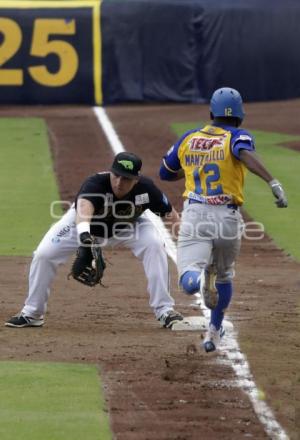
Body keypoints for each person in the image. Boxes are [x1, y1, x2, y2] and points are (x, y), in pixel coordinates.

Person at [159, 87, 288, 352]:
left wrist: (192, 169)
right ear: (240, 114)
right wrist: (271, 181)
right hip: (228, 218)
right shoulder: (237, 135)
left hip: (196, 215)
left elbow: (166, 172)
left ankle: (198, 278)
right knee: (225, 276)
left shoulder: (189, 137)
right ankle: (214, 332)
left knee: (187, 280)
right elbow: (244, 154)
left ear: (211, 112)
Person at [6, 152, 184, 329]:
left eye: (126, 179)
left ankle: (164, 310)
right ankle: (32, 313)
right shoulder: (95, 184)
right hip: (84, 224)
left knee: (155, 245)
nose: (119, 182)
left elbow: (171, 215)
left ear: (136, 179)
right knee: (44, 255)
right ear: (111, 172)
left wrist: (186, 243)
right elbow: (83, 210)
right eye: (117, 176)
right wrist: (85, 238)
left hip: (127, 226)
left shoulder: (147, 189)